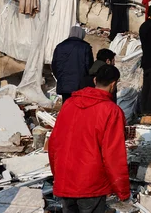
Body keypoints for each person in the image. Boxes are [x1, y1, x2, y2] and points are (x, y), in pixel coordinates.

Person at [49, 65, 130, 213]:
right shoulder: (111, 111)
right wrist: (122, 190)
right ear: (113, 84)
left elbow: (54, 143)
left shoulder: (69, 104)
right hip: (91, 184)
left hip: (66, 179)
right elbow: (113, 155)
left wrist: (58, 175)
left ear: (94, 80)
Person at [51, 26, 94, 102]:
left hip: (64, 84)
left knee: (67, 106)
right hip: (80, 85)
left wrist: (60, 78)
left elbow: (54, 66)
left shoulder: (60, 46)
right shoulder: (85, 47)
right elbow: (89, 66)